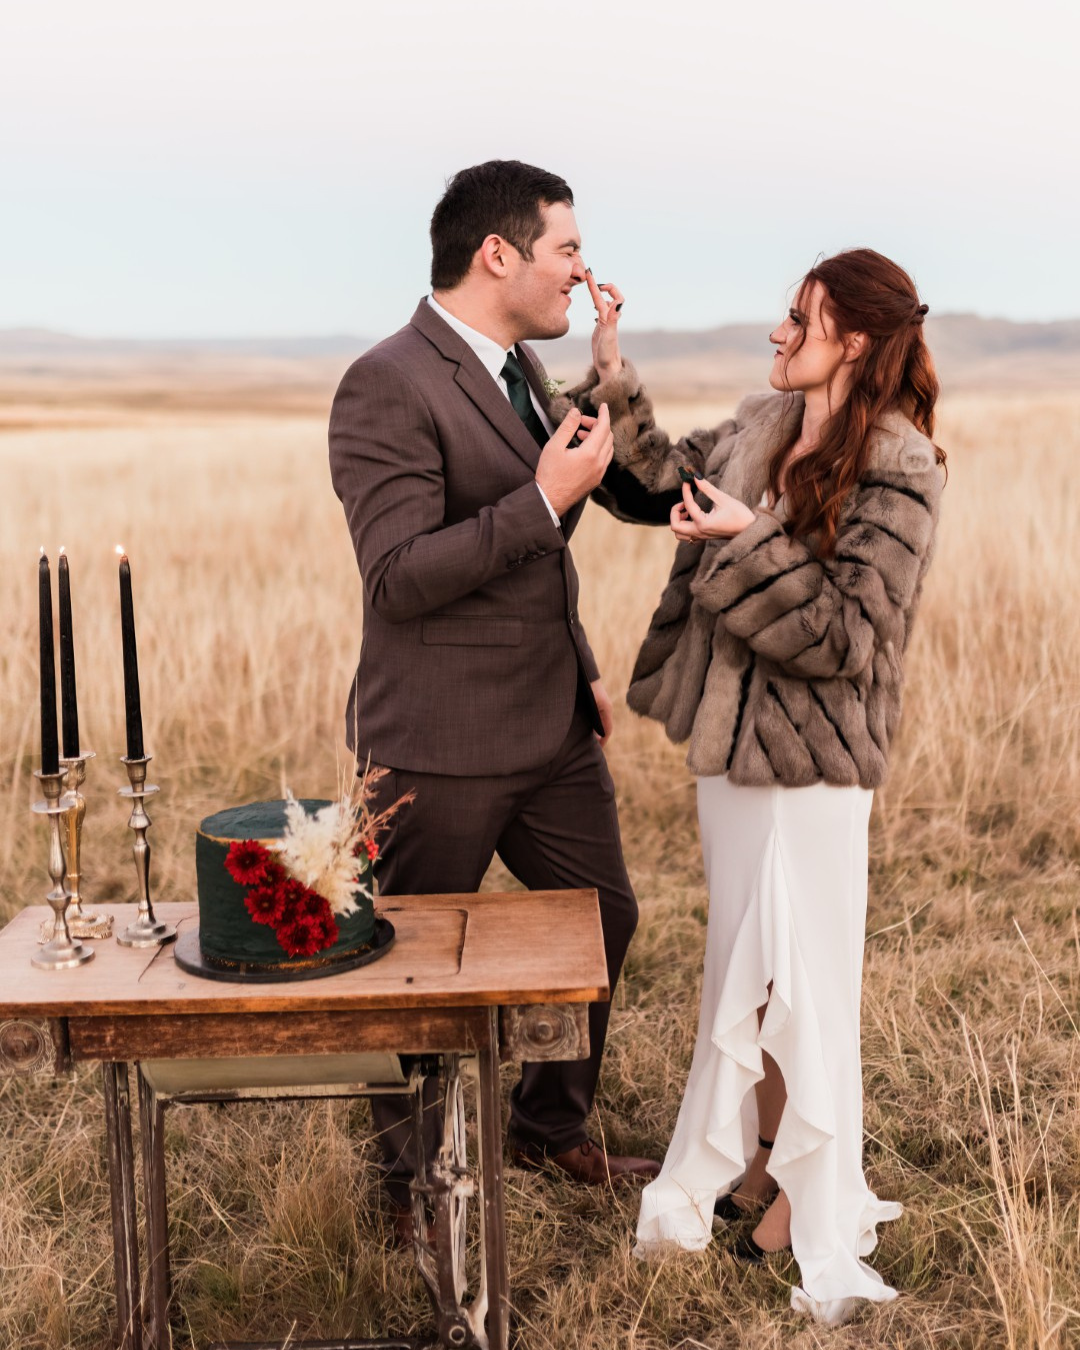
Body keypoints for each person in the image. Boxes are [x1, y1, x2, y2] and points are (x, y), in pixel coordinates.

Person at [560, 249, 945, 1323]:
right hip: (733, 764)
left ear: (854, 340)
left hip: (816, 767)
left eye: (799, 319)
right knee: (749, 967)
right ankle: (768, 1159)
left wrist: (748, 539)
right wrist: (612, 372)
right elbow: (651, 485)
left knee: (807, 978)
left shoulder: (903, 465)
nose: (778, 332)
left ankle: (809, 1195)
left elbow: (846, 634)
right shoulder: (759, 425)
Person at [328, 160, 659, 1249]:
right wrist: (541, 500)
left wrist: (606, 378)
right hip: (438, 738)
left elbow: (597, 503)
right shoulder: (387, 382)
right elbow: (398, 577)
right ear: (498, 254)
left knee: (602, 919)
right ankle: (409, 1188)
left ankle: (545, 1128)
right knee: (415, 964)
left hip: (551, 725)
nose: (582, 269)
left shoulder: (522, 368)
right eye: (568, 249)